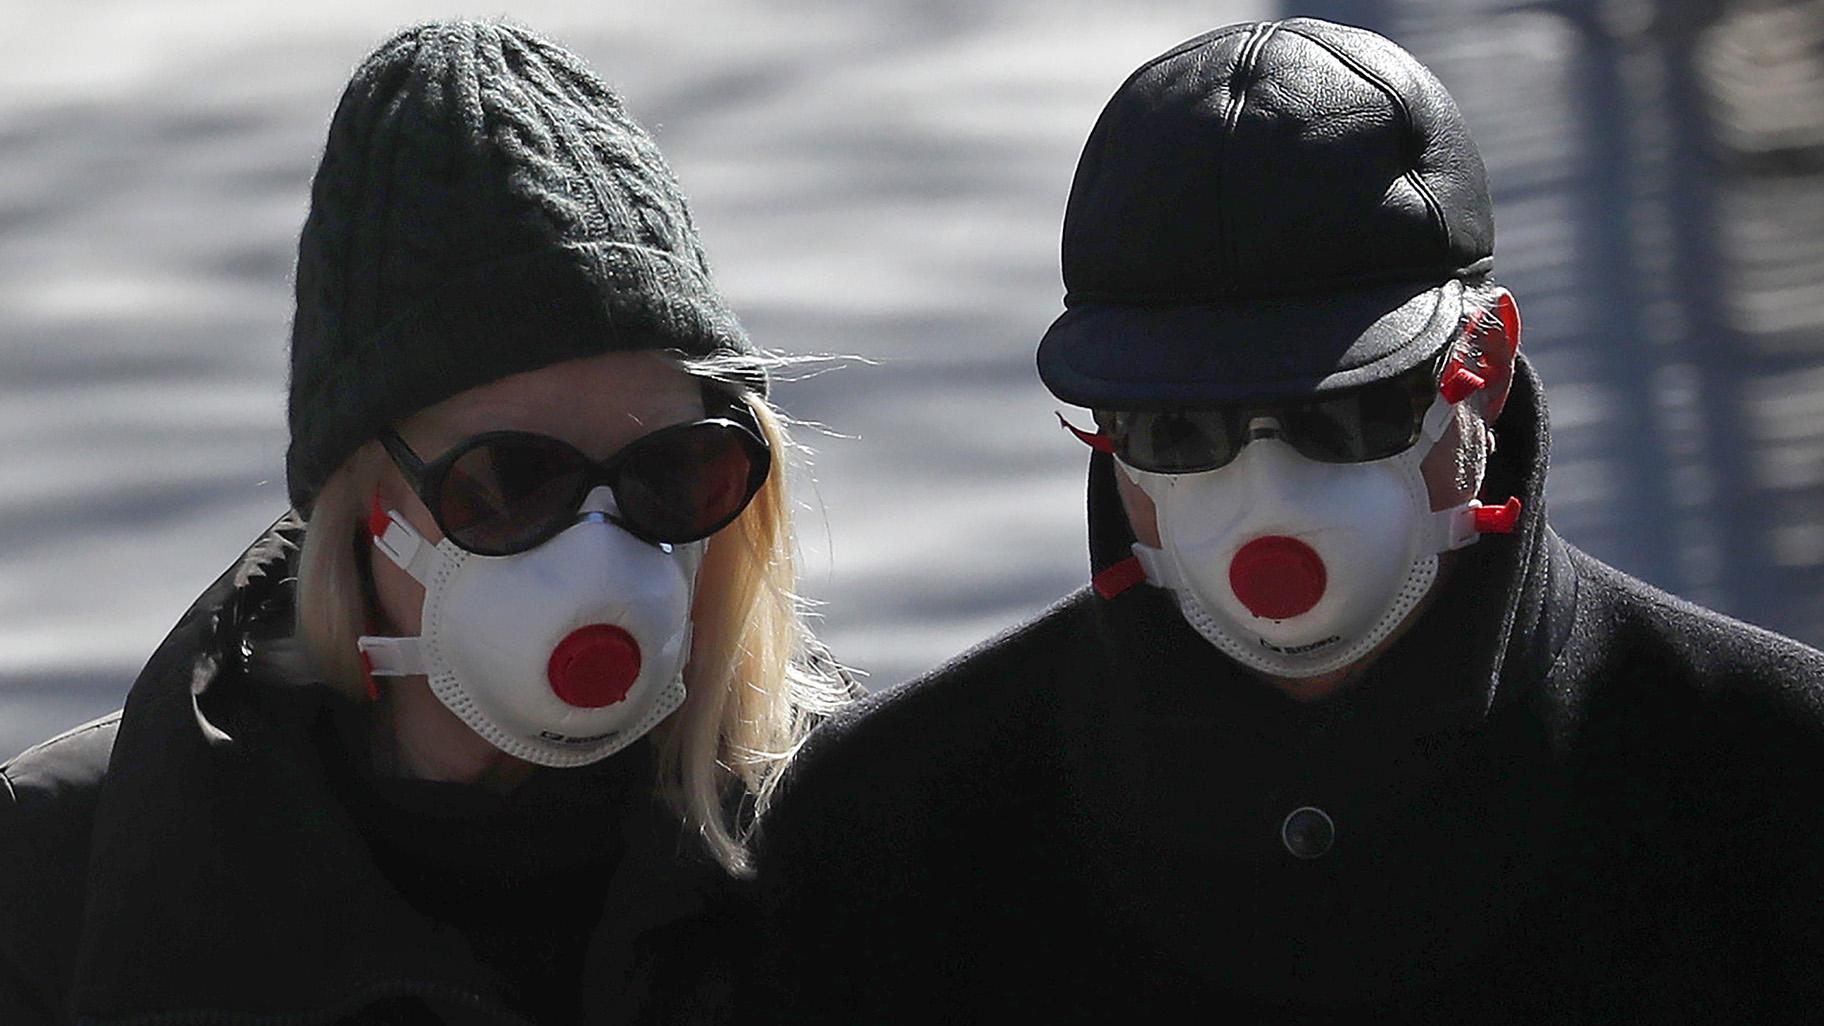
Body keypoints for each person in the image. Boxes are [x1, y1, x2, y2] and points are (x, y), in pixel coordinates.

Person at [755, 17, 1824, 1023]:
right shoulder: (892, 838)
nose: (1263, 487)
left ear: (1485, 363)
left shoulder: (1774, 793)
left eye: (1351, 405)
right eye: (1178, 428)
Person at [0, 20, 850, 1026]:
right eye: (509, 481)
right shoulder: (63, 876)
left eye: (674, 470)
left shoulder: (855, 850)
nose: (606, 549)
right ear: (363, 507)